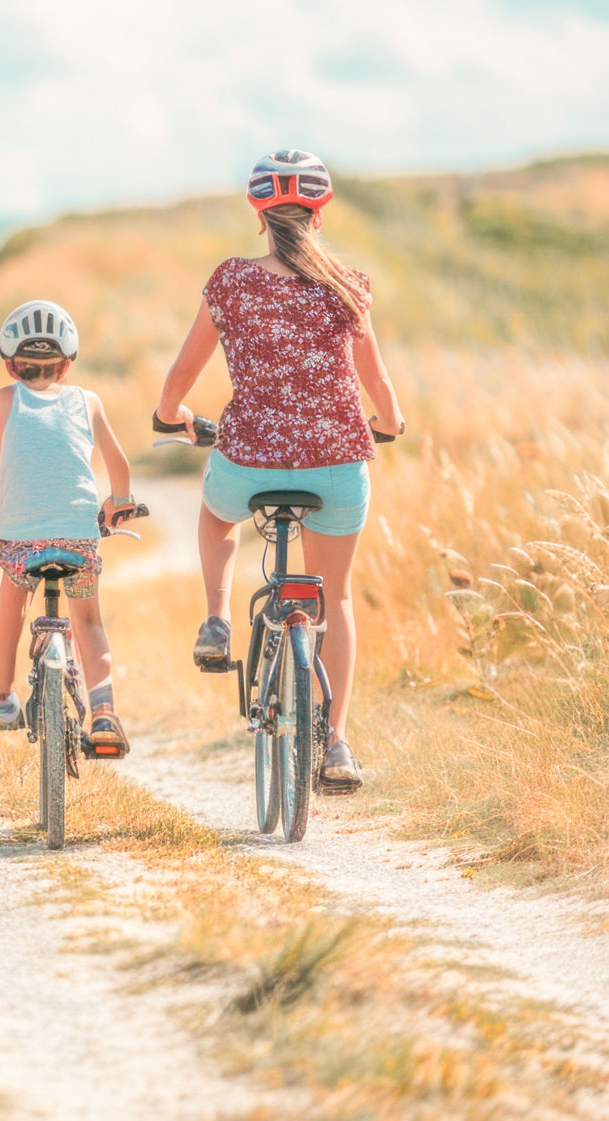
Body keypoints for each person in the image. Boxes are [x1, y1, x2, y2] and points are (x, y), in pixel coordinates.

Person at [153, 149, 406, 794]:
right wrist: (391, 422)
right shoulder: (349, 285)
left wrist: (169, 413)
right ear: (319, 213)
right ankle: (339, 743)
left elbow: (184, 370)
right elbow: (375, 382)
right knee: (336, 597)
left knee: (214, 520)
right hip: (338, 462)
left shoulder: (232, 281)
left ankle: (217, 618)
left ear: (258, 213)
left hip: (250, 459)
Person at [0, 300, 138, 752]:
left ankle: (4, 695)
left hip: (20, 544)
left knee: (12, 599)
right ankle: (105, 713)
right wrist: (119, 503)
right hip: (78, 540)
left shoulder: (4, 400)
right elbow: (119, 466)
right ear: (67, 365)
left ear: (12, 366)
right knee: (87, 620)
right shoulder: (88, 401)